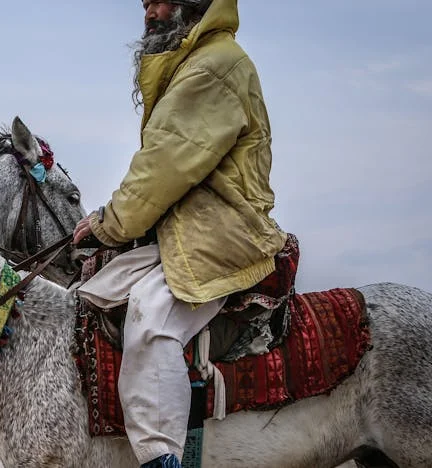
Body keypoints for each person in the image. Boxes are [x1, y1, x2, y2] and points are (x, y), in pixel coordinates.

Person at [73, 1, 288, 467]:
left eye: (162, 1)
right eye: (146, 3)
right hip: (186, 226)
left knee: (150, 320)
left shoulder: (215, 67)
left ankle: (160, 459)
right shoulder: (193, 63)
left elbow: (164, 166)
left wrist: (108, 223)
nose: (151, 11)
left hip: (222, 230)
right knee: (86, 295)